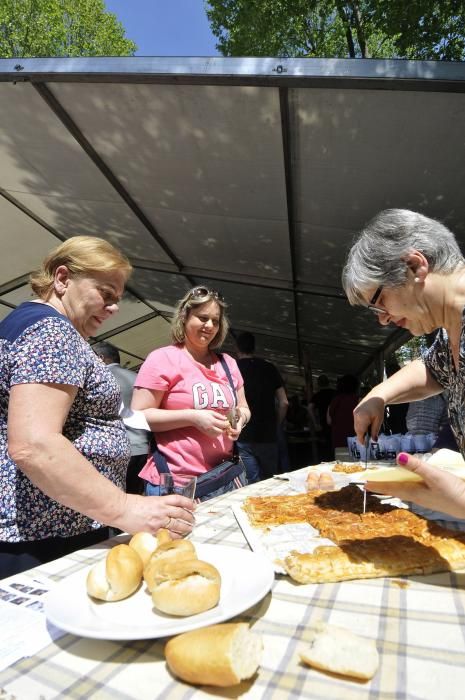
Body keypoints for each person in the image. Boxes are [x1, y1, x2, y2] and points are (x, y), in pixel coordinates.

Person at [0, 236, 194, 578]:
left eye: (116, 299)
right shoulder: (51, 331)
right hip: (44, 535)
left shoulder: (35, 324)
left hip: (52, 524)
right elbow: (34, 444)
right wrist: (123, 507)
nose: (114, 308)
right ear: (62, 279)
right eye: (105, 294)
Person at [341, 207, 465, 517]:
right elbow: (433, 370)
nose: (383, 320)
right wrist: (378, 396)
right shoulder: (452, 325)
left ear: (414, 266)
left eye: (380, 301)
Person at [131, 286, 251, 500]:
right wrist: (192, 417)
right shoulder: (162, 359)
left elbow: (243, 407)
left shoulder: (228, 363)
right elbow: (138, 416)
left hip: (225, 476)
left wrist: (240, 420)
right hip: (178, 483)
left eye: (215, 320)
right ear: (185, 317)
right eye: (203, 318)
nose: (209, 326)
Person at [92, 341, 149, 495]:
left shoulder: (100, 380)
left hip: (118, 449)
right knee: (138, 495)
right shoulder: (137, 377)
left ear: (101, 358)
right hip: (144, 447)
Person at [235, 331, 289, 482]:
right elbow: (284, 402)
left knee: (251, 482)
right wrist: (276, 424)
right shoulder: (269, 368)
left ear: (237, 348)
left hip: (243, 435)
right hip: (268, 435)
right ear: (254, 348)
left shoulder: (232, 369)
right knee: (271, 481)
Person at [327, 374, 359, 457]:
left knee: (341, 465)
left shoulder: (335, 401)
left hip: (339, 441)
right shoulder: (359, 400)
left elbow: (329, 421)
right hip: (357, 441)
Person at [309, 375, 335, 461]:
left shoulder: (317, 395)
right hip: (336, 424)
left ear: (318, 384)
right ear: (329, 382)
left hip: (323, 424)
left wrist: (315, 423)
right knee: (336, 447)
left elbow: (310, 408)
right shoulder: (335, 393)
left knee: (326, 449)